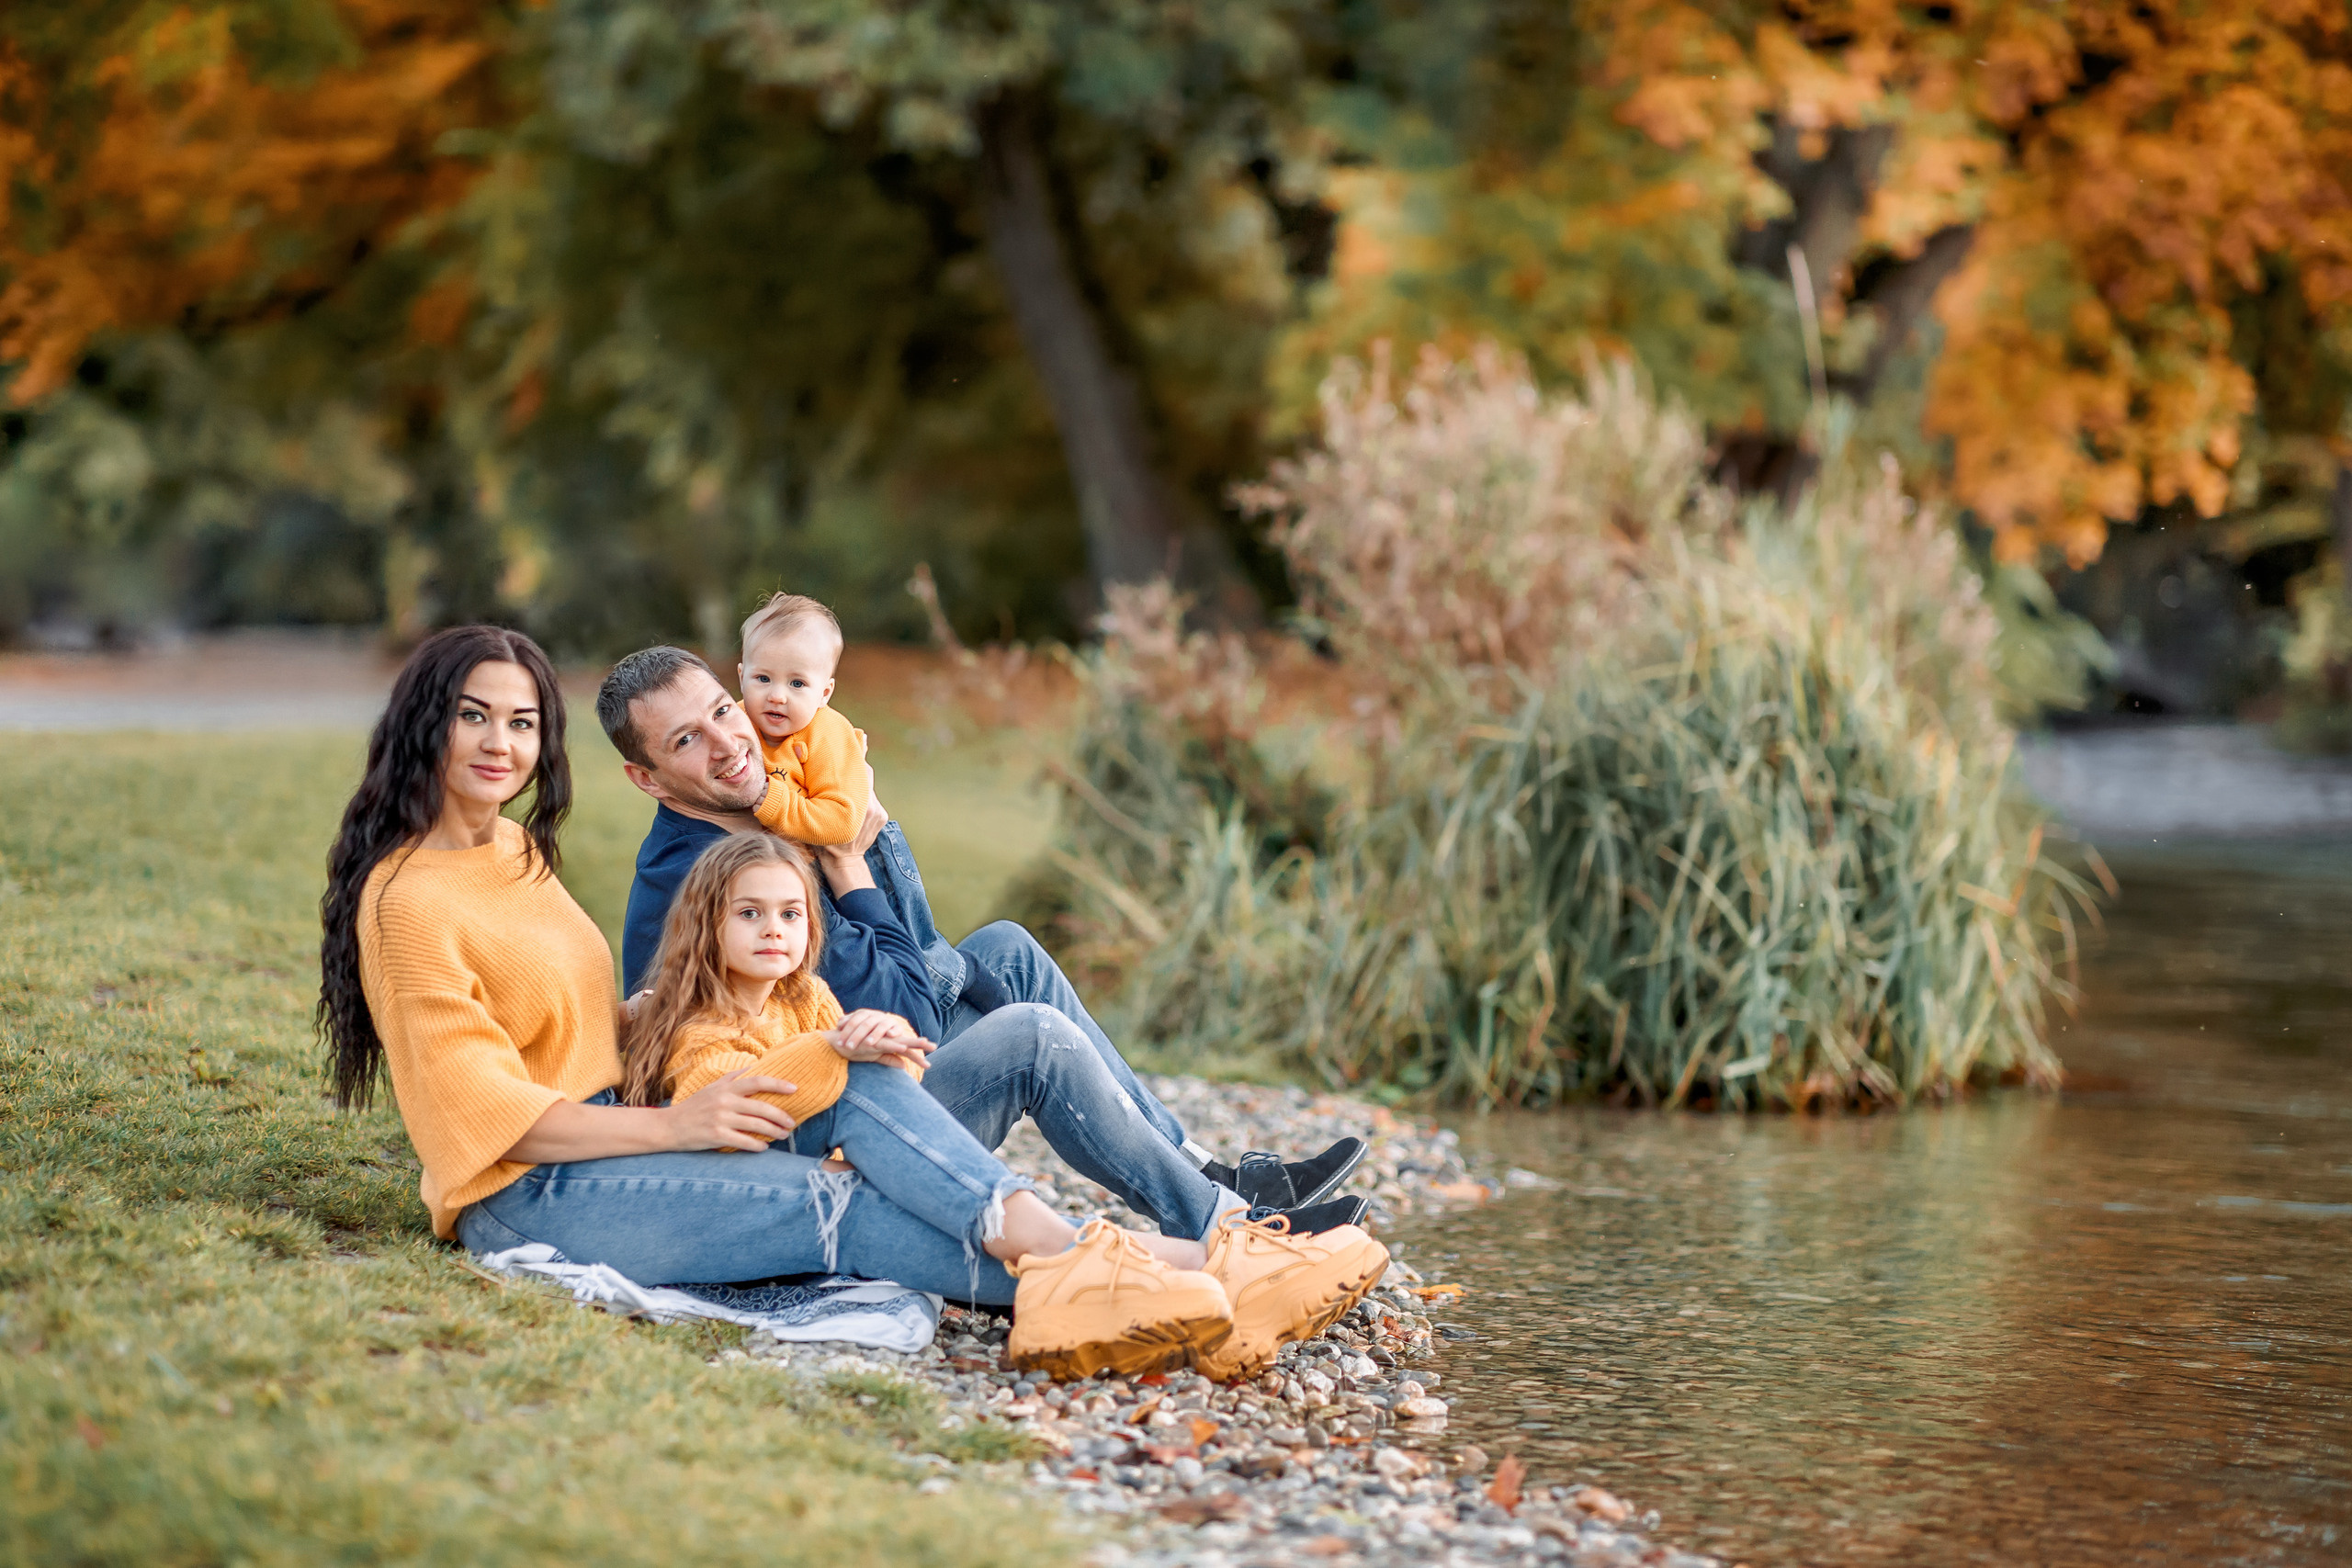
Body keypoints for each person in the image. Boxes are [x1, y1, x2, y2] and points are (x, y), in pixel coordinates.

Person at [314, 623, 1272, 1379]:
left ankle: (1172, 1268)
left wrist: (688, 1015)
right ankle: (1172, 1270)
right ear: (424, 723)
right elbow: (476, 1115)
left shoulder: (513, 851)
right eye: (475, 717)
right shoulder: (407, 904)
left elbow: (568, 1023)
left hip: (617, 1127)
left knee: (856, 1072)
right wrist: (677, 1126)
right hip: (530, 1192)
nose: (501, 743)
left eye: (522, 722)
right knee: (841, 1205)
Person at [598, 644, 1371, 1226]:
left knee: (1006, 949)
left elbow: (917, 950)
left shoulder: (766, 809)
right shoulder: (722, 878)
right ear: (648, 778)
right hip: (825, 1146)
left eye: (722, 710)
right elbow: (911, 1011)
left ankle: (1209, 1174)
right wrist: (850, 858)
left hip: (851, 1072)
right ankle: (1227, 1225)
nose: (727, 742)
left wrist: (859, 830)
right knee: (1032, 1034)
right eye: (686, 740)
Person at [739, 592, 872, 848]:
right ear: (742, 677)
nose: (777, 696)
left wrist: (779, 805)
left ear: (824, 693)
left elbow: (844, 821)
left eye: (797, 683)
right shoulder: (734, 720)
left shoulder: (827, 734)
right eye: (763, 679)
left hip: (822, 860)